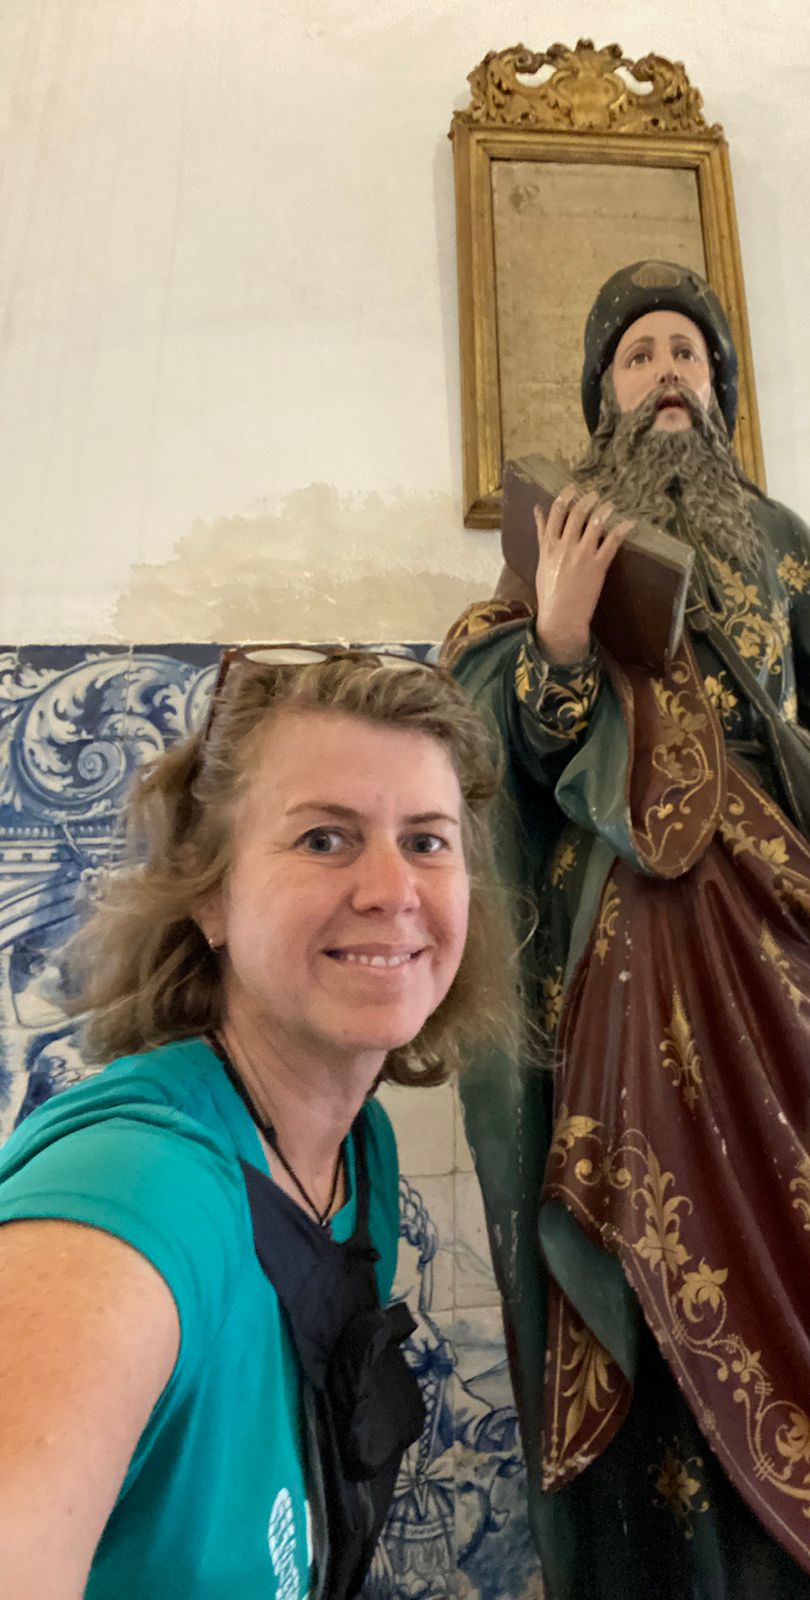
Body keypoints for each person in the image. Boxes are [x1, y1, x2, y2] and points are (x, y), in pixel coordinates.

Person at [442, 261, 810, 1600]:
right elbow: (486, 759)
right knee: (660, 1287)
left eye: (688, 353)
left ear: (718, 390)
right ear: (603, 394)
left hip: (798, 970)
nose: (667, 370)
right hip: (637, 969)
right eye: (639, 353)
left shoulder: (777, 542)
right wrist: (557, 646)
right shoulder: (552, 551)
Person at [0, 646, 516, 1600]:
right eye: (324, 838)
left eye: (426, 841)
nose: (392, 889)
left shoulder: (356, 1157)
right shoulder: (134, 1197)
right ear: (211, 894)